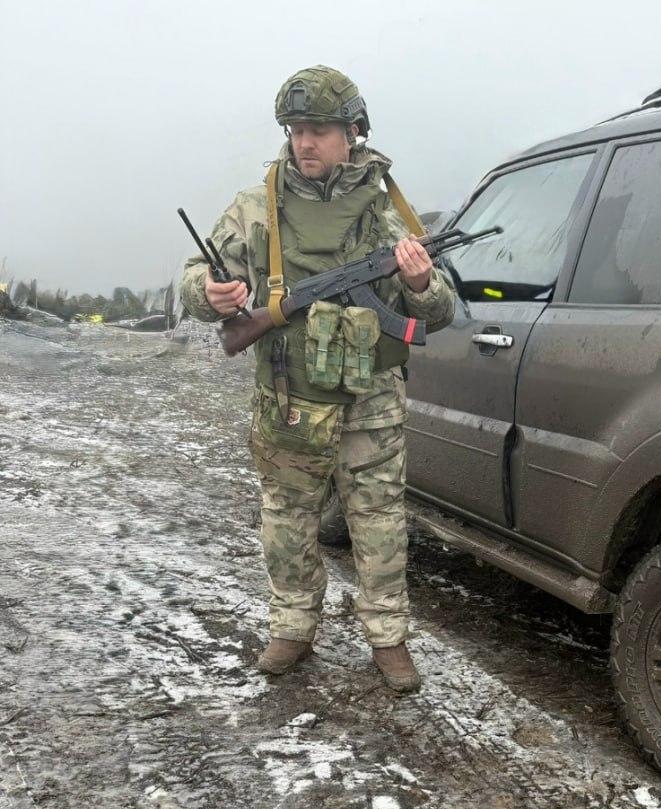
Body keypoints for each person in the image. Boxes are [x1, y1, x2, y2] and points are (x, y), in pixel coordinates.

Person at [179, 66, 455, 692]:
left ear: (354, 132)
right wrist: (211, 293)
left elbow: (437, 313)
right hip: (289, 393)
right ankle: (293, 627)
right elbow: (197, 275)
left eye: (320, 130)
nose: (305, 142)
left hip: (372, 395)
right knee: (287, 515)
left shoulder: (389, 212)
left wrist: (418, 283)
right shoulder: (257, 207)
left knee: (379, 518)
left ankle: (388, 639)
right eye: (297, 129)